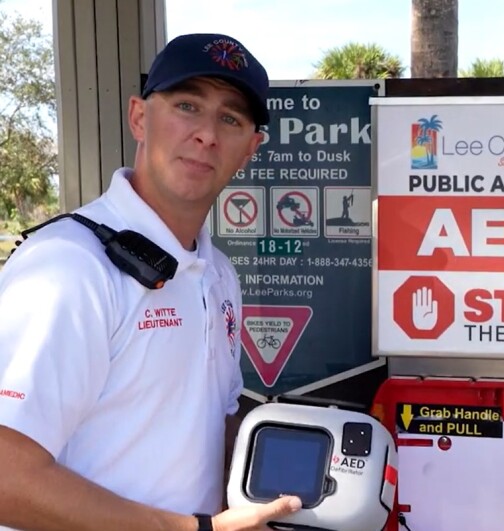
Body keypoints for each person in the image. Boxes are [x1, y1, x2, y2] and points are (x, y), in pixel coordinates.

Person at [0, 33, 301, 531]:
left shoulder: (219, 274)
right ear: (139, 117)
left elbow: (212, 427)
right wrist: (191, 529)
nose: (206, 133)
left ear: (250, 148)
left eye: (230, 118)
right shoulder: (69, 265)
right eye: (187, 105)